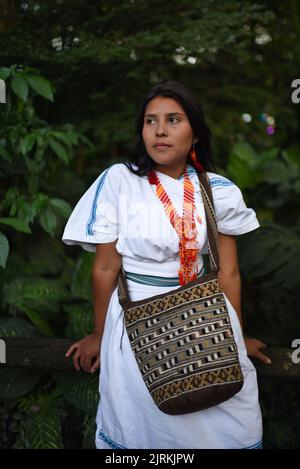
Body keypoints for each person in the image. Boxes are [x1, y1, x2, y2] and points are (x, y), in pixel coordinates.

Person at [62, 81, 271, 449]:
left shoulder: (218, 189)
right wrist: (99, 334)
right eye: (150, 121)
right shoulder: (120, 181)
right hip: (136, 321)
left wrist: (235, 335)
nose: (159, 130)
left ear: (195, 135)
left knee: (229, 420)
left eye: (173, 120)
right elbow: (105, 269)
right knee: (146, 429)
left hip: (206, 322)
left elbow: (229, 272)